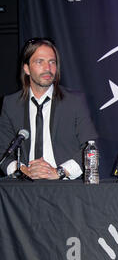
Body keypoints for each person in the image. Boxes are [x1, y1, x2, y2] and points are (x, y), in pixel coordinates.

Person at [0, 38, 98, 180]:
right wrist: (21, 171)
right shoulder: (11, 104)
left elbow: (91, 148)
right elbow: (3, 150)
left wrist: (58, 172)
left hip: (64, 187)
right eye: (40, 62)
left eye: (52, 62)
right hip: (25, 188)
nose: (48, 68)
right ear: (26, 68)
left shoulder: (74, 101)